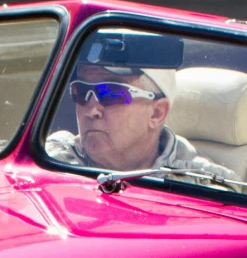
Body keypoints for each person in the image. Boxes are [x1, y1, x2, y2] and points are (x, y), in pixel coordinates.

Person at [43, 59, 220, 175]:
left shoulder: (203, 185)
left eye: (111, 94)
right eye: (80, 92)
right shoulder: (48, 159)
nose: (91, 110)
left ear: (157, 113)